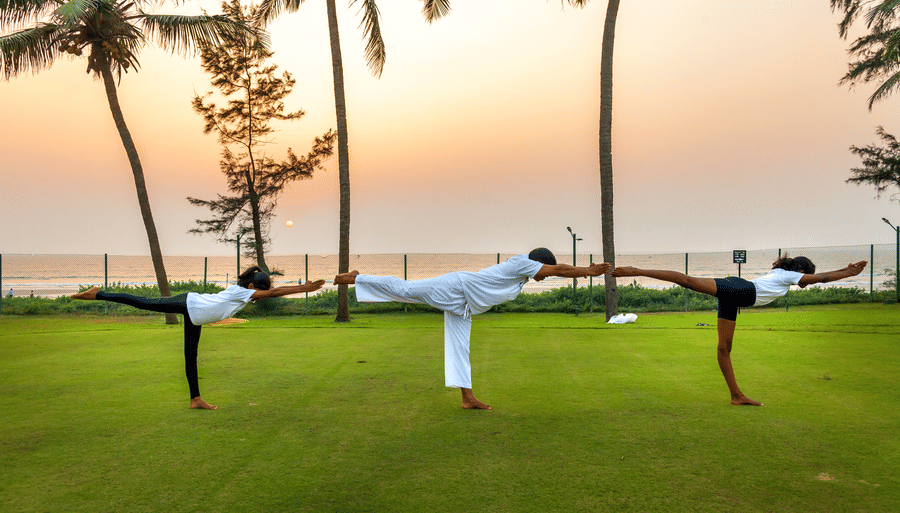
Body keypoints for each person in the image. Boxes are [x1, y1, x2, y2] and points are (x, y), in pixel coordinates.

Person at [334, 248, 611, 410]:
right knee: (407, 289)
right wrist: (588, 271)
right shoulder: (521, 262)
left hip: (463, 306)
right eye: (545, 270)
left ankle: (467, 398)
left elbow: (554, 271)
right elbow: (559, 270)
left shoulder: (522, 278)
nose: (544, 275)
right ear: (539, 264)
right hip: (455, 287)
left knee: (460, 347)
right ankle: (359, 278)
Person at [611, 256, 868, 406]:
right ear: (801, 272)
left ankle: (736, 395)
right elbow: (821, 279)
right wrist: (848, 272)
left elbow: (816, 278)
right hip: (741, 291)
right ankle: (636, 271)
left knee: (724, 348)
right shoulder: (790, 276)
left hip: (738, 294)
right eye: (805, 278)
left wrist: (844, 271)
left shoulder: (779, 272)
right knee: (688, 281)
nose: (805, 283)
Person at [72, 266, 325, 410]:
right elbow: (276, 293)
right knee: (143, 302)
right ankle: (99, 293)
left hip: (196, 315)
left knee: (190, 356)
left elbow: (272, 292)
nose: (263, 294)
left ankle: (195, 399)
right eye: (261, 289)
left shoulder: (243, 292)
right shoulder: (245, 293)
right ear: (253, 288)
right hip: (188, 302)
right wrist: (304, 288)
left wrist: (302, 287)